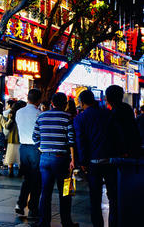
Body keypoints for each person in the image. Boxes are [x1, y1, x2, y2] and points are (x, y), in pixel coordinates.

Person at [33, 92, 78, 227]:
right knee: (65, 192)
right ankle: (66, 222)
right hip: (62, 160)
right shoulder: (67, 117)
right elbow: (71, 140)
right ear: (65, 104)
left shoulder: (41, 117)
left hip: (45, 159)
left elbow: (35, 137)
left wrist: (44, 149)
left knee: (45, 193)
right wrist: (73, 160)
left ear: (52, 103)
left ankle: (44, 223)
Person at [74, 90, 117, 227]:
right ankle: (113, 223)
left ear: (81, 102)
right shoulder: (107, 113)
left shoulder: (80, 118)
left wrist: (82, 162)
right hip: (110, 160)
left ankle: (97, 224)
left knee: (95, 197)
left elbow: (80, 141)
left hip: (92, 162)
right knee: (113, 197)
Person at [15, 88, 42, 218]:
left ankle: (20, 204)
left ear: (28, 98)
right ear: (39, 100)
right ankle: (33, 208)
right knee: (36, 179)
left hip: (23, 148)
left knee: (27, 178)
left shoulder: (19, 112)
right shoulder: (39, 114)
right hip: (35, 149)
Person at [105, 85, 142, 157]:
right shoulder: (126, 107)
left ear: (109, 98)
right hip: (133, 147)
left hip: (123, 151)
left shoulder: (115, 112)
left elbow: (119, 131)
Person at [4, 100, 26, 177]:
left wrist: (10, 119)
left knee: (11, 155)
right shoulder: (23, 115)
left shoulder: (11, 115)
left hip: (12, 138)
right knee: (19, 157)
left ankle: (10, 172)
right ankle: (20, 172)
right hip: (20, 138)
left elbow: (6, 126)